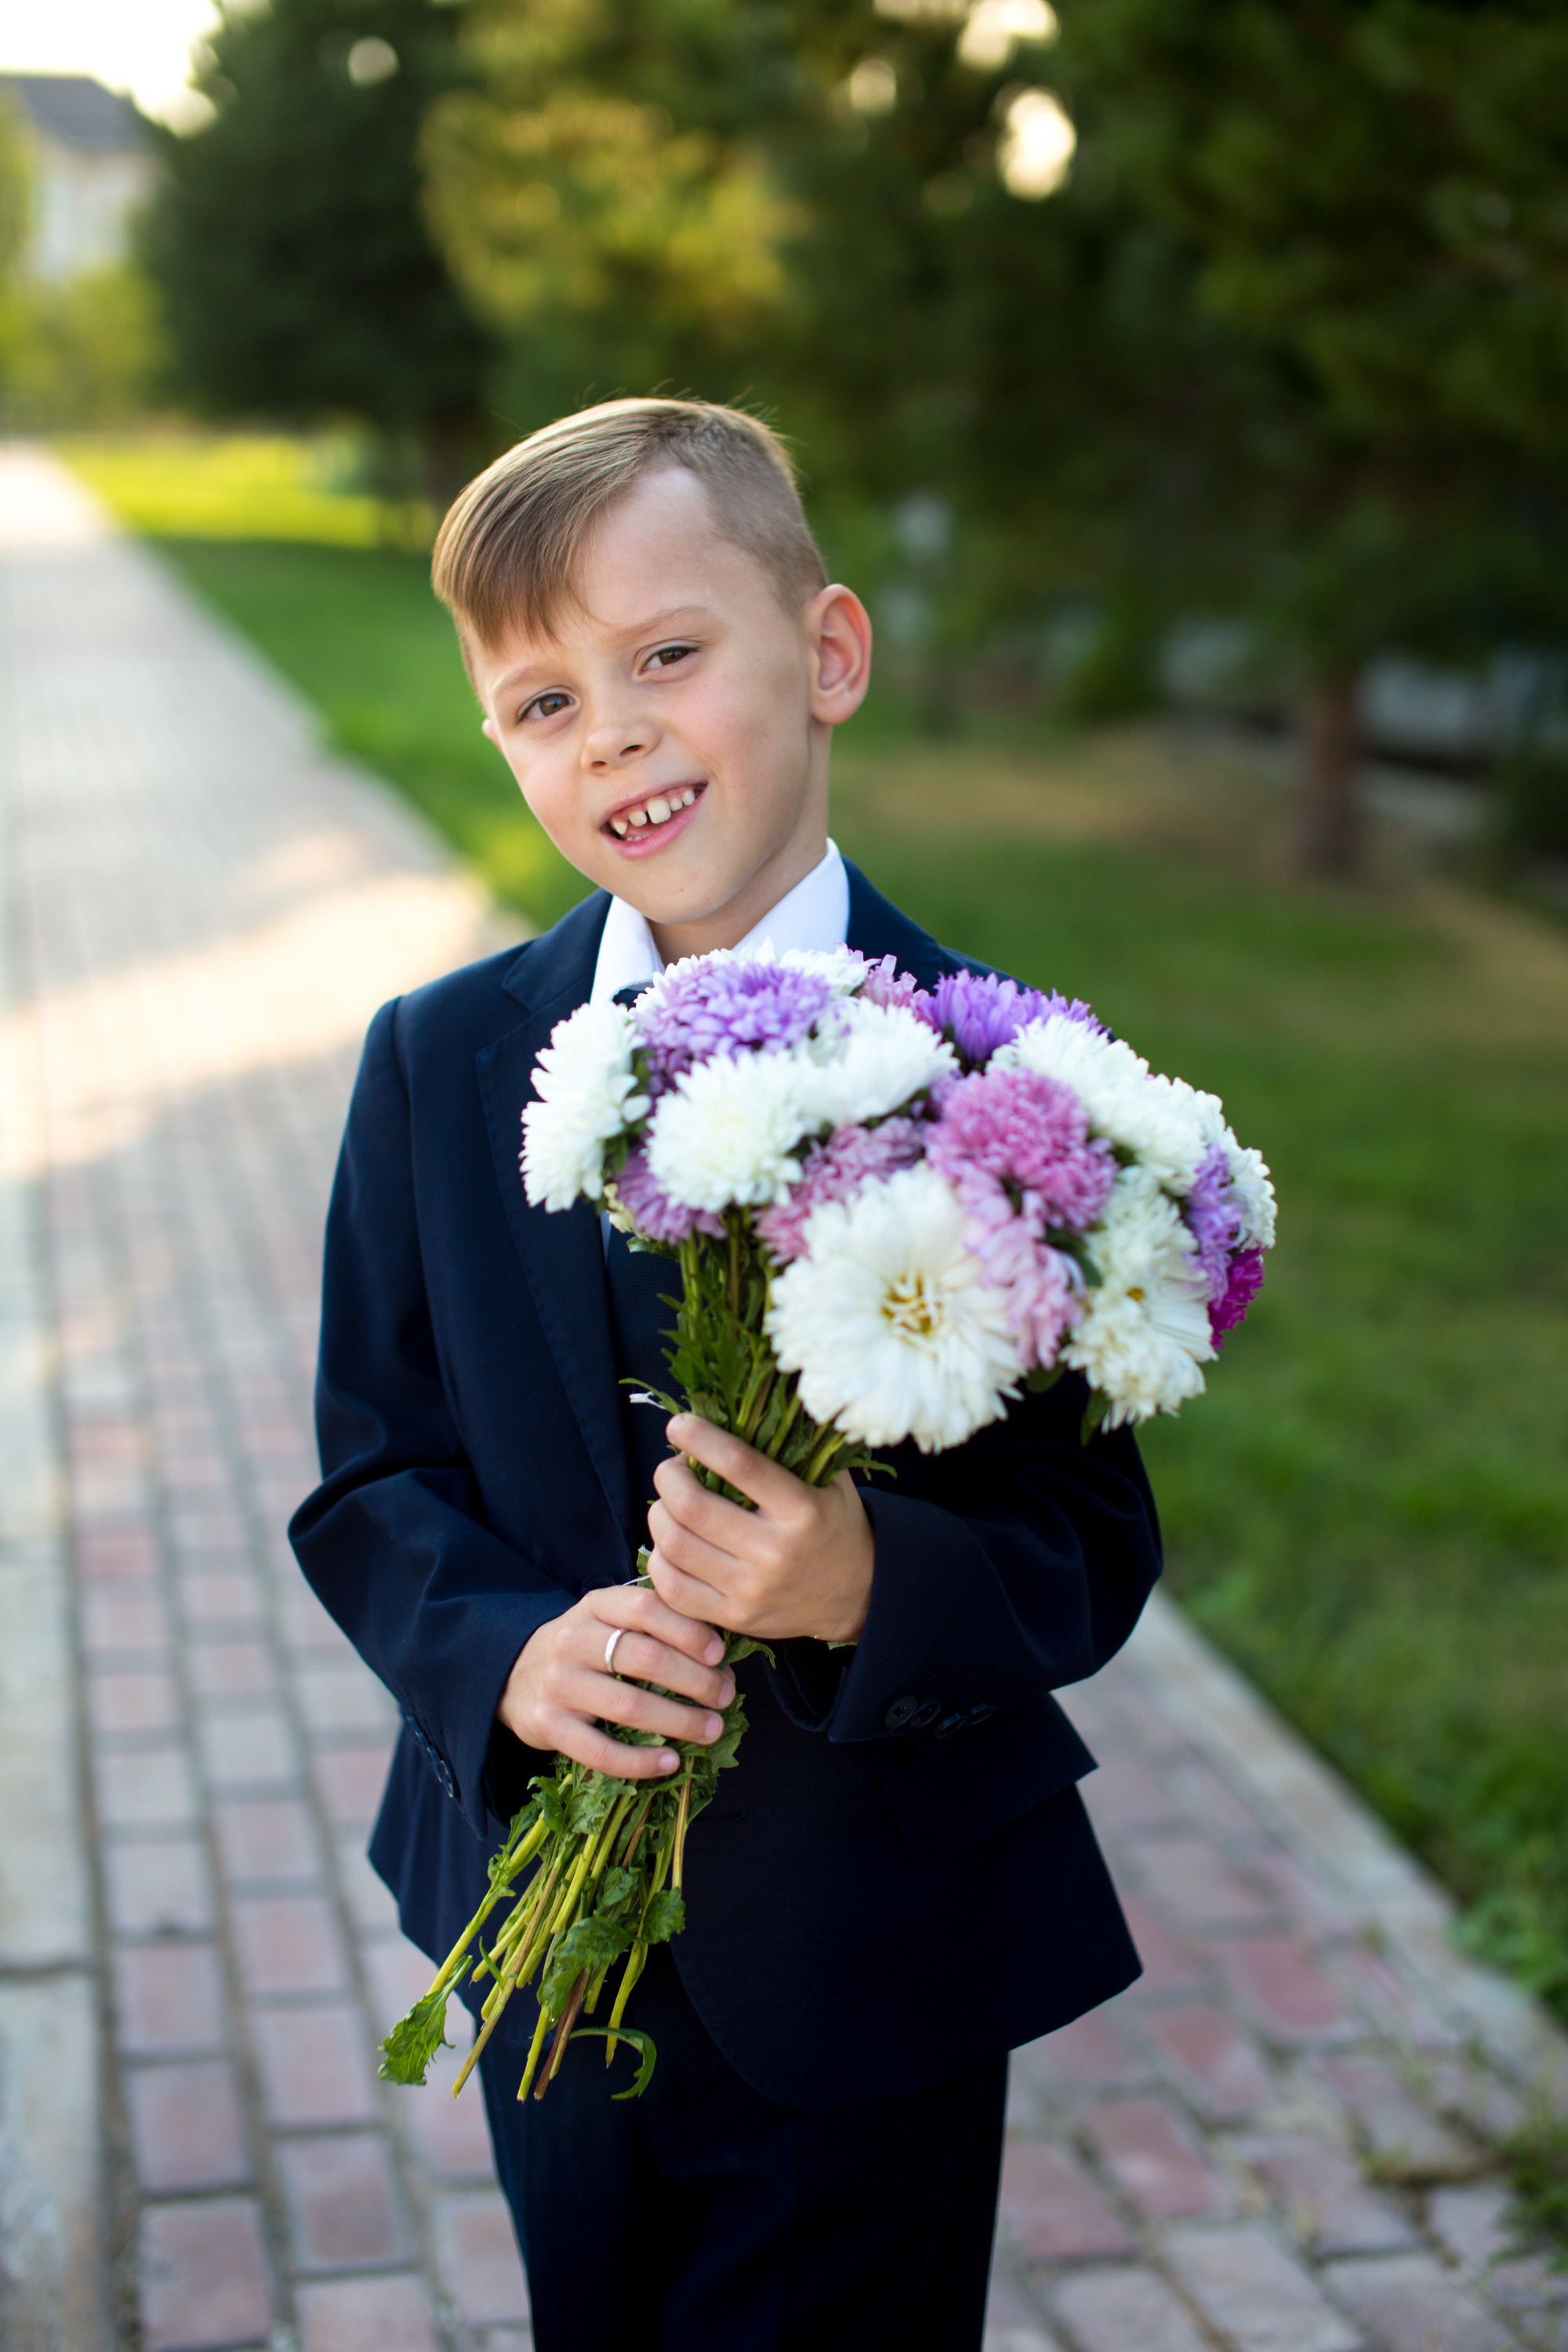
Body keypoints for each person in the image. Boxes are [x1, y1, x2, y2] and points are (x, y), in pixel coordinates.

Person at [289, 397, 1162, 2352]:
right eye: (538, 701)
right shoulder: (438, 1062)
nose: (607, 734)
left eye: (664, 656)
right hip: (545, 1947)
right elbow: (371, 1476)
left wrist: (866, 1584)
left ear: (828, 653)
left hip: (870, 1972)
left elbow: (1087, 1538)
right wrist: (501, 1651)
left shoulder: (997, 1091)